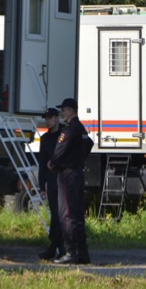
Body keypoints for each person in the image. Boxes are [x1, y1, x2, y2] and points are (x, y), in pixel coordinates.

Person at [47, 97, 94, 264]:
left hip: (67, 175)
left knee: (66, 214)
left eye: (64, 110)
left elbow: (60, 149)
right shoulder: (81, 129)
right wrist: (79, 159)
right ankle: (82, 253)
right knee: (77, 214)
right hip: (77, 173)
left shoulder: (69, 129)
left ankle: (70, 251)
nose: (62, 113)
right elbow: (89, 144)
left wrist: (52, 163)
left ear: (71, 111)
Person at [36, 107, 64, 260]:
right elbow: (42, 164)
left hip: (63, 179)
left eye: (49, 118)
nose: (47, 121)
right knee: (55, 215)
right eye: (46, 118)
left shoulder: (64, 134)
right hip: (52, 181)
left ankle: (58, 247)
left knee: (61, 215)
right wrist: (41, 187)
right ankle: (55, 247)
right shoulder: (45, 138)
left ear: (56, 118)